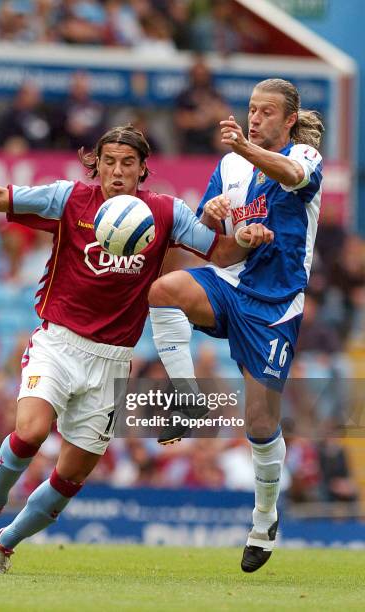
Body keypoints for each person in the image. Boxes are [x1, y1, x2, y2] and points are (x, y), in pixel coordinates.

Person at [0, 124, 273, 574]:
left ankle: (4, 545)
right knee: (30, 432)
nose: (116, 172)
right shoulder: (68, 199)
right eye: (108, 162)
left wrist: (244, 238)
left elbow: (218, 253)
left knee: (70, 478)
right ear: (96, 164)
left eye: (127, 163)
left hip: (113, 361)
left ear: (143, 169)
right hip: (58, 343)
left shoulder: (166, 212)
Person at [148, 79, 324, 572]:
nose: (256, 118)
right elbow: (211, 230)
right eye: (251, 110)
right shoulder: (228, 165)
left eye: (267, 112)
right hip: (230, 283)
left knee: (260, 423)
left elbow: (290, 174)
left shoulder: (306, 157)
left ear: (289, 120)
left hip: (274, 306)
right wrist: (216, 213)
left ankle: (264, 519)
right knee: (163, 290)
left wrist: (246, 147)